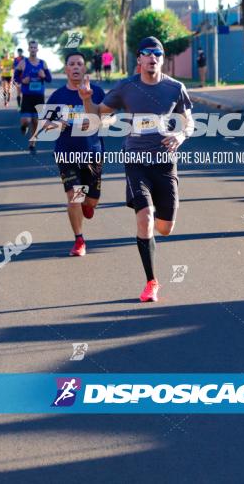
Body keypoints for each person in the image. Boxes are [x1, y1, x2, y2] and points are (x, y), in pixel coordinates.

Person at [78, 36, 194, 302]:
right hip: (136, 161)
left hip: (165, 163)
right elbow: (97, 115)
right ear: (139, 59)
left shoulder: (175, 88)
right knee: (145, 218)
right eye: (147, 53)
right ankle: (151, 282)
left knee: (165, 228)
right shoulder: (126, 87)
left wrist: (180, 136)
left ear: (162, 59)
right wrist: (86, 99)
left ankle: (158, 231)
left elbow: (189, 123)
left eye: (158, 54)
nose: (152, 57)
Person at [43, 52, 104, 257]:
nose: (76, 67)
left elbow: (110, 118)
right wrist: (61, 123)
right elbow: (46, 125)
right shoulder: (57, 96)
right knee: (74, 197)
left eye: (79, 64)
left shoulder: (96, 91)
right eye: (72, 64)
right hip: (66, 153)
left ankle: (88, 205)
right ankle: (79, 240)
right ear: (66, 68)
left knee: (91, 201)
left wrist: (95, 121)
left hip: (92, 153)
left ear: (84, 68)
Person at [15, 40, 52, 154]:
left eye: (35, 47)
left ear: (37, 49)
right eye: (31, 47)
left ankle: (32, 144)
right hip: (27, 96)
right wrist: (22, 80)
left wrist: (43, 75)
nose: (33, 49)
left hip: (39, 97)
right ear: (28, 49)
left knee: (36, 121)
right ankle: (24, 126)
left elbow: (49, 79)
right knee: (26, 120)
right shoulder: (23, 63)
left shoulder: (43, 63)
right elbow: (15, 77)